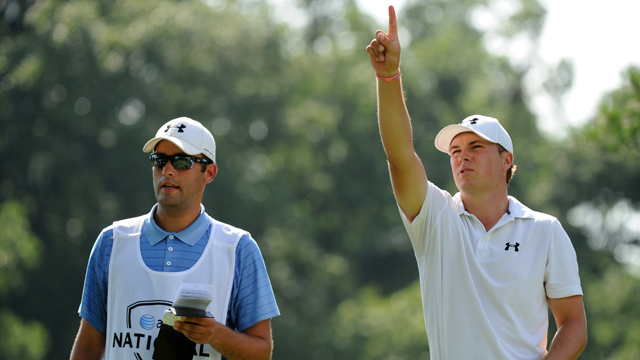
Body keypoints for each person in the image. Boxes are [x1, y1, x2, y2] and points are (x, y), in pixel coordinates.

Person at [366, 6, 587, 360]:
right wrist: (388, 77)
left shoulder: (545, 231)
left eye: (475, 147)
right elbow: (400, 156)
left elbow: (573, 323)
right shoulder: (434, 218)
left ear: (506, 160)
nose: (461, 156)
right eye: (454, 150)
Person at [70, 117, 280, 360]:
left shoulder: (238, 249)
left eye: (182, 161)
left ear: (209, 172)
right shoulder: (112, 242)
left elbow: (262, 353)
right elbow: (88, 347)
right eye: (159, 160)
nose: (167, 170)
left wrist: (215, 335)